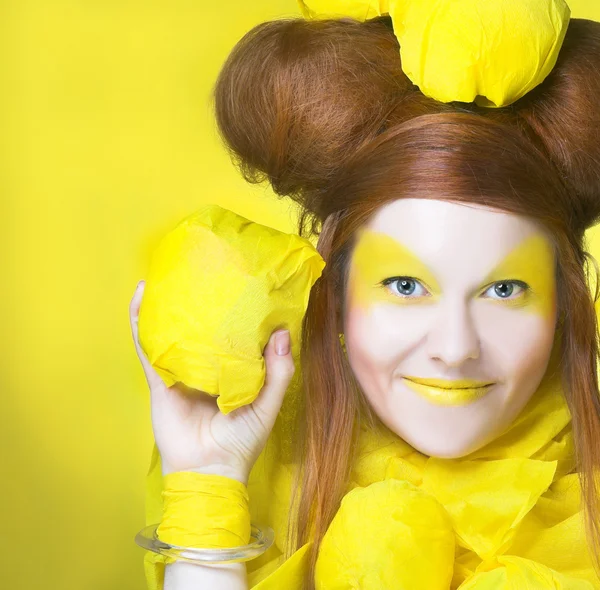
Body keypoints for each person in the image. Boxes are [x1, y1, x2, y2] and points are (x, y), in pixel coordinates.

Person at [130, 1, 600, 588]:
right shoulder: (274, 488)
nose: (455, 349)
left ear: (563, 304)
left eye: (503, 289)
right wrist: (209, 477)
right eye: (405, 286)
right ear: (337, 295)